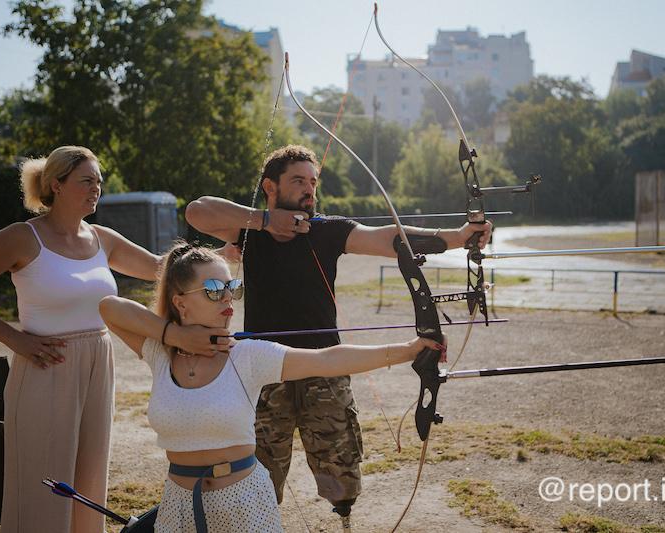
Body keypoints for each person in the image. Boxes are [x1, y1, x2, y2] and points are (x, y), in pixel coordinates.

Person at [184, 144, 491, 519]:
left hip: (324, 370)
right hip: (264, 372)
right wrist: (265, 221)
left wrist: (459, 237)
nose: (309, 189)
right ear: (270, 187)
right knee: (257, 479)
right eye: (298, 181)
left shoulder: (326, 231)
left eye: (312, 181)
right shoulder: (250, 230)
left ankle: (343, 511)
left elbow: (387, 239)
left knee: (342, 479)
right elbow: (197, 211)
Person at [0, 146, 226, 532]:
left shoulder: (102, 238)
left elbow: (159, 269)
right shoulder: (21, 238)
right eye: (86, 180)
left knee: (90, 479)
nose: (96, 188)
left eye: (98, 180)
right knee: (43, 483)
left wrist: (220, 256)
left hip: (99, 363)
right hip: (44, 365)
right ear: (56, 185)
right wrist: (14, 339)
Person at [97, 241, 445, 532]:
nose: (229, 300)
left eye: (233, 288)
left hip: (245, 502)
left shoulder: (246, 355)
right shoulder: (159, 353)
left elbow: (327, 360)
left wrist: (408, 350)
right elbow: (108, 306)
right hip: (180, 505)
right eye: (215, 291)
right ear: (180, 302)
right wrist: (174, 335)